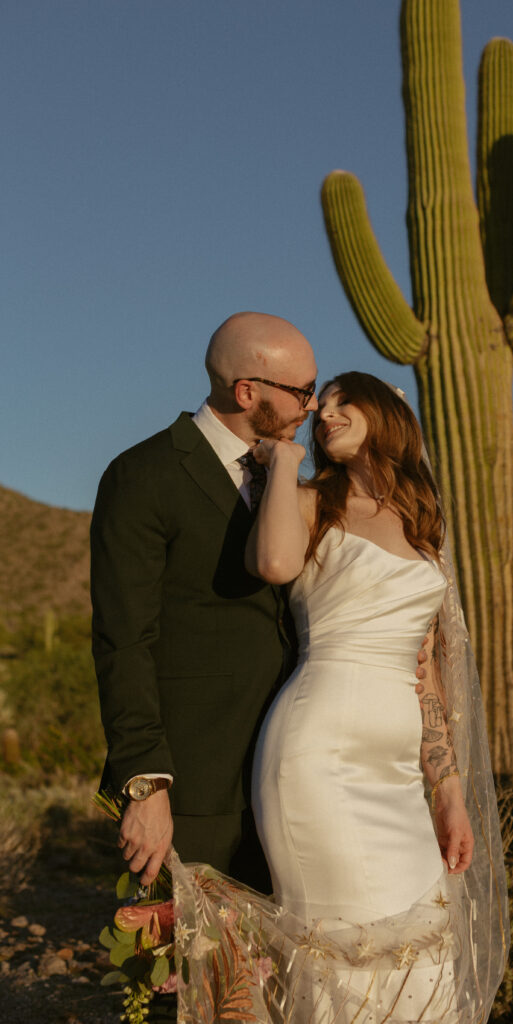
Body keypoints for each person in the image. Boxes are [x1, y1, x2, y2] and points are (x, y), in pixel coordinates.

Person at [172, 373, 508, 1023]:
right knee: (342, 948)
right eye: (316, 408)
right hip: (316, 753)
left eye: (339, 402)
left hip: (399, 775)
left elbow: (427, 672)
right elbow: (271, 563)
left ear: (383, 413)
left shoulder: (421, 527)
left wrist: (447, 791)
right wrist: (286, 463)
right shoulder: (306, 500)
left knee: (425, 950)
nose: (323, 415)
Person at [91, 312, 318, 1020]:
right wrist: (144, 784)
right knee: (177, 985)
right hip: (192, 778)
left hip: (288, 772)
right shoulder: (143, 475)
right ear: (247, 389)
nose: (313, 405)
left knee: (267, 988)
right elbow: (124, 639)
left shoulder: (296, 480)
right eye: (304, 390)